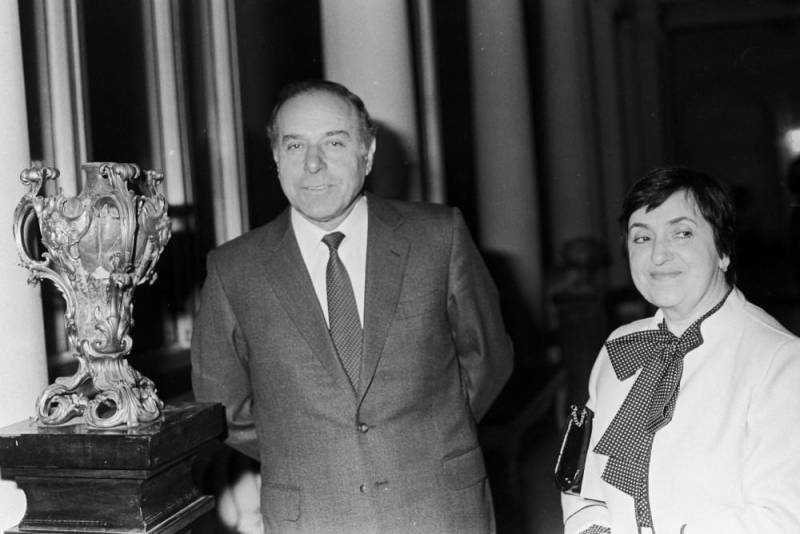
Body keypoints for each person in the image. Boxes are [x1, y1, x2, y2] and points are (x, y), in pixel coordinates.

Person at [191, 79, 513, 533]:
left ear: (368, 152)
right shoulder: (233, 269)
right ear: (276, 157)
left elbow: (488, 358)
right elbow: (221, 403)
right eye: (295, 145)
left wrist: (431, 436)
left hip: (438, 504)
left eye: (334, 142)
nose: (313, 163)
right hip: (312, 515)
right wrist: (316, 455)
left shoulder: (438, 237)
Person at [561, 167, 800, 533]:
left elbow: (781, 518)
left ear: (723, 251)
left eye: (682, 233)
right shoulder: (617, 349)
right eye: (642, 238)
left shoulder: (780, 361)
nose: (658, 255)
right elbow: (582, 489)